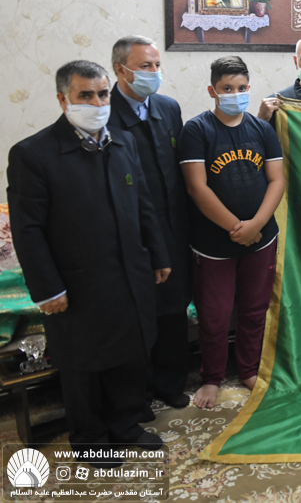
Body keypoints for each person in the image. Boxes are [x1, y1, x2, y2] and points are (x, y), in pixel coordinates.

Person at [7, 60, 169, 465]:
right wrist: (47, 288)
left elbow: (144, 205)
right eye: (85, 95)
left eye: (102, 94)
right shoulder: (33, 154)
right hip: (76, 282)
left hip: (129, 272)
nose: (97, 103)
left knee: (130, 353)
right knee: (85, 362)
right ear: (63, 99)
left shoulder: (123, 142)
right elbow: (28, 230)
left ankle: (127, 426)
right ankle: (91, 439)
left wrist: (158, 255)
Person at [179, 56, 285, 409]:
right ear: (212, 91)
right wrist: (235, 228)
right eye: (226, 88)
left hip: (261, 238)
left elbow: (276, 180)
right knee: (215, 315)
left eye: (241, 88)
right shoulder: (196, 130)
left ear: (248, 88)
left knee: (254, 310)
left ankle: (249, 369)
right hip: (213, 243)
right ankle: (211, 377)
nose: (234, 94)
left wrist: (256, 225)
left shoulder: (262, 130)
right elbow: (197, 188)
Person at [107, 35, 191, 414]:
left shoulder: (168, 108)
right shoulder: (104, 114)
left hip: (172, 229)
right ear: (120, 70)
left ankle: (170, 383)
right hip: (128, 236)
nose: (154, 72)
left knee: (173, 310)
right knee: (136, 316)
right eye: (145, 66)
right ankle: (136, 396)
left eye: (157, 65)